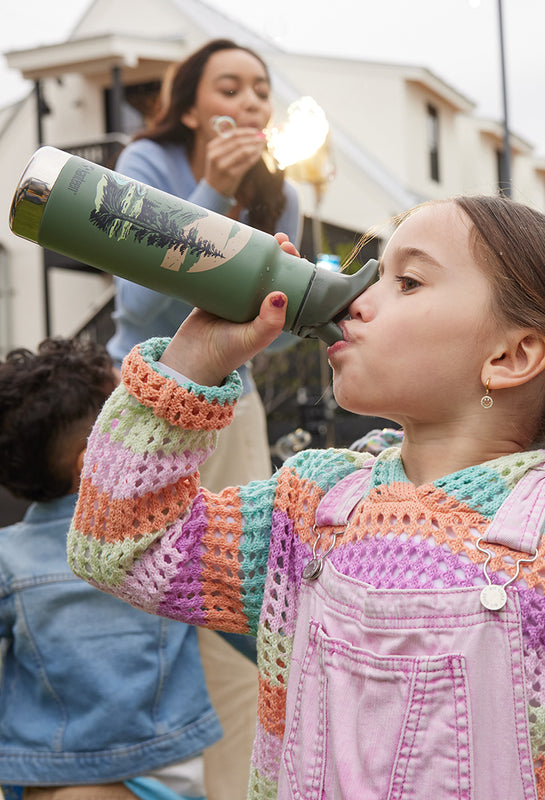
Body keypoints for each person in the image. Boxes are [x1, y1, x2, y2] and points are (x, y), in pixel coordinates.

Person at [67, 193, 545, 800]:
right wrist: (194, 362)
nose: (356, 301)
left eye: (408, 281)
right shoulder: (309, 508)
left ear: (511, 355)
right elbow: (122, 544)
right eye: (368, 277)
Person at [107, 38, 301, 800]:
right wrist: (206, 198)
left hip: (233, 400)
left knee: (231, 597)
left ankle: (238, 785)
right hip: (152, 398)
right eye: (230, 88)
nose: (251, 102)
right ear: (188, 106)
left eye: (260, 89)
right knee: (132, 586)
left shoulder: (272, 187)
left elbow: (266, 309)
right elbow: (139, 308)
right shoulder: (145, 170)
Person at [0, 337, 222, 800]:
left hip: (51, 766)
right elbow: (247, 617)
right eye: (132, 422)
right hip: (164, 765)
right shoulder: (169, 538)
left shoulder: (8, 558)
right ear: (90, 465)